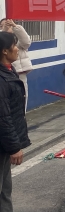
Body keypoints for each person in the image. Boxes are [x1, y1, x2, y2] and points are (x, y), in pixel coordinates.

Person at [0, 32, 30, 212]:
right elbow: (3, 117)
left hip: (4, 144)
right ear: (5, 51)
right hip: (4, 142)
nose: (17, 49)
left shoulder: (8, 71)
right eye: (14, 45)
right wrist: (14, 147)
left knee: (5, 190)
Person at [0, 19, 32, 110]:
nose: (16, 49)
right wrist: (4, 31)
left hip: (19, 74)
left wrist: (15, 27)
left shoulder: (18, 40)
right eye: (1, 26)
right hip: (5, 75)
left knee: (22, 102)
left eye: (9, 25)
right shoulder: (2, 41)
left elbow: (26, 42)